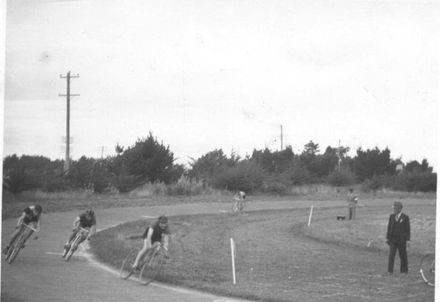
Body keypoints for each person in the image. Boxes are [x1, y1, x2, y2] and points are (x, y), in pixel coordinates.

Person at [386, 201, 410, 274]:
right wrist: (387, 237)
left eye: (395, 208)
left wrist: (408, 240)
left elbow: (408, 229)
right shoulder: (391, 216)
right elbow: (389, 227)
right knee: (391, 255)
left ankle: (404, 270)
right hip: (393, 239)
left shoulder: (405, 217)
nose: (394, 210)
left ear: (400, 209)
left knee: (403, 255)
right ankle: (390, 271)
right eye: (393, 208)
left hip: (401, 240)